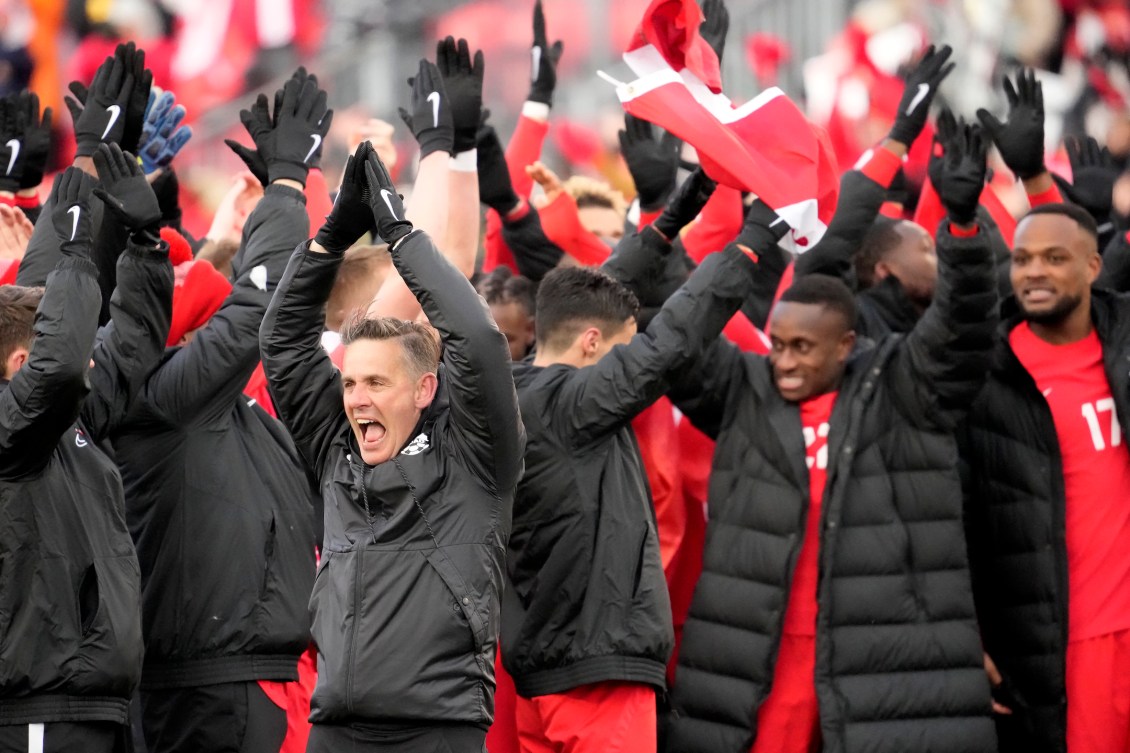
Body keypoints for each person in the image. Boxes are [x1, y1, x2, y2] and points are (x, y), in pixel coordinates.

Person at [662, 123, 1000, 753]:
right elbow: (676, 336)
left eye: (801, 349)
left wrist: (960, 229)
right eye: (779, 344)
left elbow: (963, 328)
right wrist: (662, 217)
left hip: (879, 668)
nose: (782, 360)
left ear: (847, 346)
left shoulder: (903, 388)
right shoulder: (746, 392)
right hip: (757, 668)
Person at [259, 143, 523, 753]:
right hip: (335, 729)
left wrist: (402, 237)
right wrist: (331, 237)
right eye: (350, 383)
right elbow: (282, 342)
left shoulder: (476, 461)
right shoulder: (337, 451)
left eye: (377, 383)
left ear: (425, 388)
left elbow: (479, 340)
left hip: (439, 731)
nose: (356, 399)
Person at [504, 198, 788, 753]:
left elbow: (586, 296)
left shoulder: (518, 388)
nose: (625, 362)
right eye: (619, 351)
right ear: (591, 344)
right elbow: (674, 340)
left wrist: (664, 228)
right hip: (597, 679)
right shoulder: (575, 407)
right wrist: (750, 244)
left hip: (540, 675)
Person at [109, 72, 327, 753]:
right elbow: (260, 307)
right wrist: (288, 188)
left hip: (236, 674)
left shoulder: (190, 395)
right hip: (218, 684)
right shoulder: (164, 399)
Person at [0, 164, 173, 752]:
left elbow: (128, 343)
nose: (88, 363)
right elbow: (65, 365)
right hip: (35, 708)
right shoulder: (9, 429)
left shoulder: (67, 424)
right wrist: (75, 260)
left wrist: (146, 246)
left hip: (95, 702)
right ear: (22, 366)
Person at [961, 202, 1130, 753]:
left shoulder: (1122, 345)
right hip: (1066, 647)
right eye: (1024, 258)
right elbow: (948, 519)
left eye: (1055, 258)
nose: (1034, 271)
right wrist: (966, 638)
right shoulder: (984, 376)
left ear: (1093, 267)